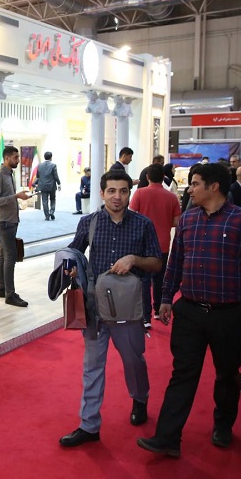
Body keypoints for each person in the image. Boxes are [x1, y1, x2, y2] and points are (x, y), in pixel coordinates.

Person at [137, 163, 241, 458]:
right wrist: (165, 297)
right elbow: (175, 261)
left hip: (229, 314)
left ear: (214, 187)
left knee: (226, 374)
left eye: (195, 183)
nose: (190, 189)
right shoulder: (188, 219)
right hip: (190, 311)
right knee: (182, 373)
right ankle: (167, 437)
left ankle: (223, 425)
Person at [59, 170, 162, 448]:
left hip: (128, 309)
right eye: (112, 191)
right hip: (95, 308)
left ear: (130, 193)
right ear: (102, 193)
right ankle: (89, 425)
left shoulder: (143, 224)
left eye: (123, 191)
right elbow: (74, 252)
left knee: (133, 361)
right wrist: (70, 267)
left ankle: (140, 398)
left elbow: (156, 263)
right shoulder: (89, 222)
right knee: (92, 367)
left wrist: (134, 260)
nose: (117, 197)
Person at [130, 164, 180, 328]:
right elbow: (176, 222)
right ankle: (158, 309)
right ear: (163, 177)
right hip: (163, 242)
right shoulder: (171, 197)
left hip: (143, 243)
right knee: (159, 278)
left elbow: (131, 216)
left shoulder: (140, 193)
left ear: (147, 177)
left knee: (144, 280)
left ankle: (146, 318)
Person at [0, 145, 31, 308]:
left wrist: (17, 196)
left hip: (11, 220)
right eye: (15, 157)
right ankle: (10, 294)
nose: (18, 160)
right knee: (10, 256)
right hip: (4, 221)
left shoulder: (8, 174)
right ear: (6, 158)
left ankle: (1, 288)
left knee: (3, 255)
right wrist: (16, 196)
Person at [33, 151, 61, 220]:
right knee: (52, 199)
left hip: (43, 186)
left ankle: (47, 216)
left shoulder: (39, 166)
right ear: (51, 157)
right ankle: (52, 211)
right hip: (51, 186)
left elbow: (38, 176)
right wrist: (59, 183)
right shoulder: (53, 165)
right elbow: (55, 176)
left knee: (44, 201)